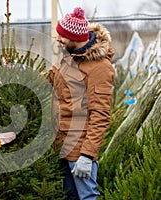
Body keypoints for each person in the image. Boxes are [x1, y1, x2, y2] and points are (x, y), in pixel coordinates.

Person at [45, 7, 115, 199]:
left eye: (63, 36)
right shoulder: (68, 58)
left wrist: (87, 156)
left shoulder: (100, 69)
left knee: (87, 196)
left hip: (79, 150)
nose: (58, 40)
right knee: (69, 196)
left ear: (76, 38)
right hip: (61, 145)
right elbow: (48, 78)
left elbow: (99, 116)